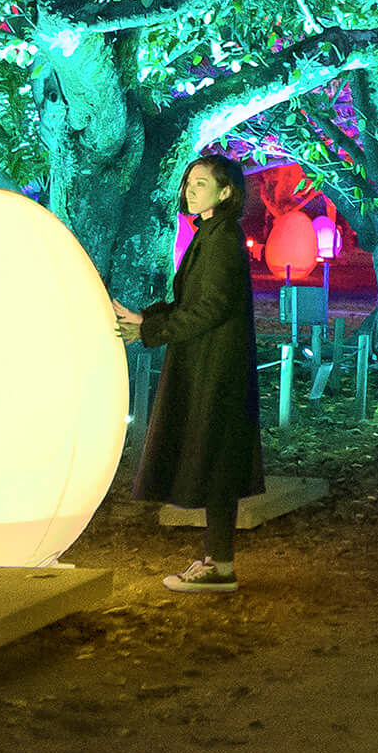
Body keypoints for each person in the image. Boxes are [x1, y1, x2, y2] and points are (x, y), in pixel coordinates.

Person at [114, 155, 259, 594]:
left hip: (216, 369)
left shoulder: (221, 240)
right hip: (208, 363)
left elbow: (211, 308)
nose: (190, 190)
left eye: (200, 183)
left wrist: (151, 329)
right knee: (216, 462)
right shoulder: (210, 234)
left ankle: (219, 565)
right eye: (188, 183)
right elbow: (191, 303)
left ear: (226, 190)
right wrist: (147, 320)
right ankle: (217, 562)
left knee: (216, 463)